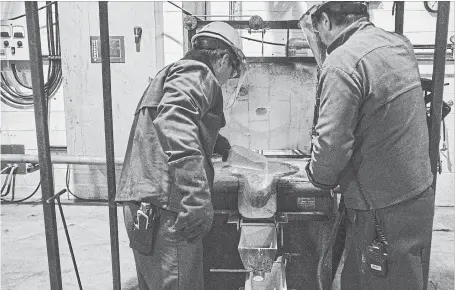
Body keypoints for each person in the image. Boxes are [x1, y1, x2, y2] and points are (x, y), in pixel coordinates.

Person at [300, 2, 434, 290]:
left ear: (325, 20)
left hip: (379, 208)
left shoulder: (342, 63)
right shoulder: (398, 44)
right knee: (403, 278)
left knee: (377, 281)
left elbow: (331, 145)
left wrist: (315, 177)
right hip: (417, 194)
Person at [115, 21, 246, 290]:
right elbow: (174, 121)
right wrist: (197, 198)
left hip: (143, 203)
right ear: (222, 59)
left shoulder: (170, 73)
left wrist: (217, 143)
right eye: (232, 71)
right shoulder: (197, 73)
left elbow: (167, 121)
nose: (228, 78)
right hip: (167, 209)